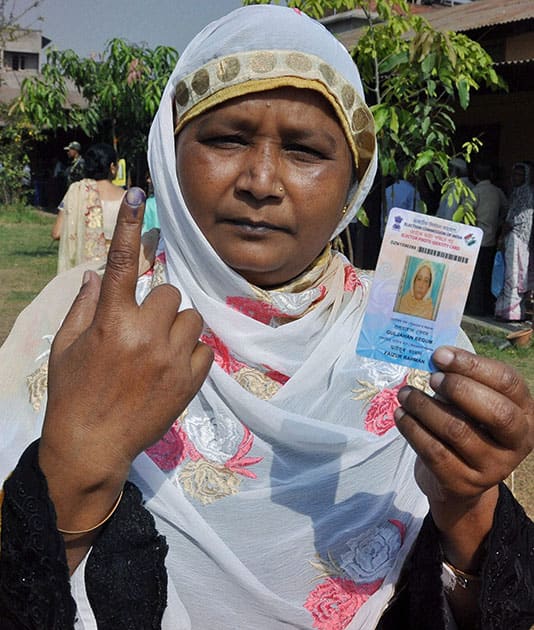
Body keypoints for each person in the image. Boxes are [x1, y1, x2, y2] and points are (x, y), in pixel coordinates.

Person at [0, 6, 532, 630]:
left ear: (353, 182)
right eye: (227, 138)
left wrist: (466, 505)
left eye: (306, 151)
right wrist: (76, 468)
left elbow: (479, 606)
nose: (260, 181)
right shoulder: (84, 320)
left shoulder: (417, 351)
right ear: (171, 155)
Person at [51, 143, 125, 273]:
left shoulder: (76, 191)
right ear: (112, 167)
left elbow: (56, 232)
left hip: (81, 274)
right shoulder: (126, 198)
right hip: (115, 274)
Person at [465, 162, 508, 316]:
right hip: (491, 239)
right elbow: (506, 209)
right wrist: (498, 223)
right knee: (488, 275)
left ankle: (476, 307)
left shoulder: (474, 192)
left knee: (475, 276)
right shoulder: (497, 192)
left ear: (475, 176)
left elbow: (466, 213)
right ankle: (487, 306)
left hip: (474, 240)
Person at [495, 162, 534, 322]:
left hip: (518, 237)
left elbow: (514, 219)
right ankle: (510, 310)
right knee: (513, 273)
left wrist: (502, 235)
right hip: (516, 238)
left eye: (519, 174)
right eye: (514, 174)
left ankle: (511, 313)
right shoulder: (517, 192)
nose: (515, 178)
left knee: (514, 273)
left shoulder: (526, 194)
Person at [436, 157, 474, 221]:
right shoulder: (472, 186)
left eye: (450, 170)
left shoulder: (455, 188)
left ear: (456, 171)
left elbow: (449, 214)